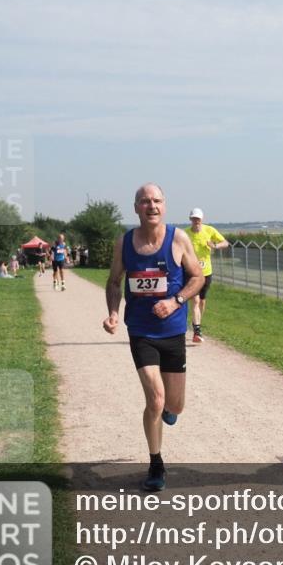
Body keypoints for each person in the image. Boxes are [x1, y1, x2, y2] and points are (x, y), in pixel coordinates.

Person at [103, 183, 203, 492]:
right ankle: (156, 462)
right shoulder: (125, 243)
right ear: (136, 207)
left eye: (157, 200)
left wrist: (175, 301)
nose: (152, 206)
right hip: (141, 331)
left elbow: (197, 277)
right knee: (155, 399)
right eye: (145, 201)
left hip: (172, 331)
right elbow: (114, 281)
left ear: (164, 206)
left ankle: (169, 412)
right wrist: (114, 313)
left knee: (175, 405)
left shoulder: (179, 239)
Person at [183, 208, 229, 343]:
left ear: (202, 219)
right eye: (193, 219)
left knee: (202, 301)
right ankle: (197, 331)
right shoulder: (185, 233)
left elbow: (225, 243)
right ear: (190, 219)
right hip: (191, 273)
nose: (195, 221)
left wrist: (215, 245)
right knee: (195, 301)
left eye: (198, 219)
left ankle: (197, 325)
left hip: (206, 272)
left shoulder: (209, 230)